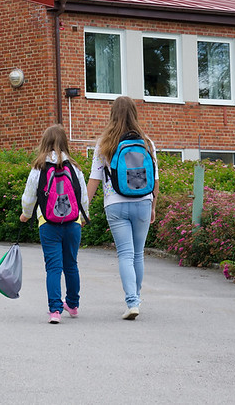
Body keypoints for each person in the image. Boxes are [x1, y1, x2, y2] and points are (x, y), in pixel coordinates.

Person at [87, 96, 159, 320]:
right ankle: (135, 299)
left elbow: (94, 180)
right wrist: (153, 206)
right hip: (143, 203)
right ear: (134, 114)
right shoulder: (147, 142)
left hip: (115, 204)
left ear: (112, 114)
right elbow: (155, 180)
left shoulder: (105, 143)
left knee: (125, 254)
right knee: (138, 254)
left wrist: (83, 209)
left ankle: (132, 302)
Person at [20, 124, 89, 324]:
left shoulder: (38, 168)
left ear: (44, 143)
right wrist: (83, 218)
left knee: (53, 267)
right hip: (73, 222)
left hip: (48, 223)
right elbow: (82, 197)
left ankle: (55, 311)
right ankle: (73, 305)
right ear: (65, 143)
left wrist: (25, 214)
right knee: (71, 265)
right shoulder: (74, 168)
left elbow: (29, 197)